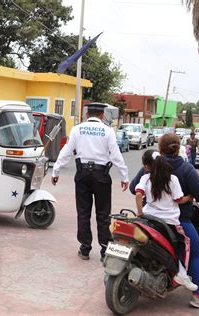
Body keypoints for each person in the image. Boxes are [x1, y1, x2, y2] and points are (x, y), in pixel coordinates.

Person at [130, 133, 199, 309]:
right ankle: (198, 296)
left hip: (148, 218)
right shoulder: (186, 169)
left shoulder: (151, 166)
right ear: (178, 147)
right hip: (177, 220)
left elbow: (134, 188)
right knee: (197, 254)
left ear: (159, 146)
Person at [52, 103, 129, 262]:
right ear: (102, 115)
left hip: (82, 175)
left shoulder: (77, 129)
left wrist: (56, 171)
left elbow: (66, 151)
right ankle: (105, 250)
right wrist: (124, 176)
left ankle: (85, 248)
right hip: (101, 175)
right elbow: (115, 155)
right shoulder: (108, 131)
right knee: (103, 214)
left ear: (87, 115)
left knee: (83, 212)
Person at [135, 149, 197, 291]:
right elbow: (179, 200)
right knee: (183, 245)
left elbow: (138, 195)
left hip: (149, 219)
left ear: (146, 166)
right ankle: (182, 274)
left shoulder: (146, 178)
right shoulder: (172, 179)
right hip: (169, 223)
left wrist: (140, 213)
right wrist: (190, 197)